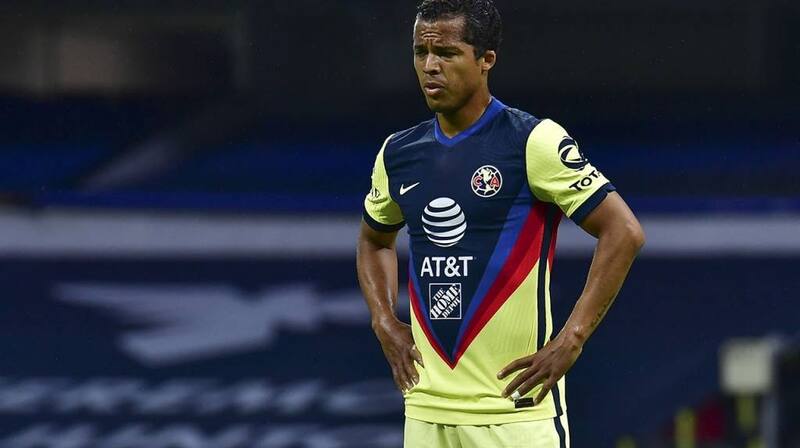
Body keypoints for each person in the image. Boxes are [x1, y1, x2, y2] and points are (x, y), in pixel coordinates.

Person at [356, 1, 645, 446]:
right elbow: (375, 240)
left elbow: (623, 231)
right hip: (426, 410)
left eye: (446, 53)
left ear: (486, 59)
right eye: (420, 52)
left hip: (514, 413)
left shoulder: (532, 141)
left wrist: (573, 337)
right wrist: (383, 320)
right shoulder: (398, 153)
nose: (430, 66)